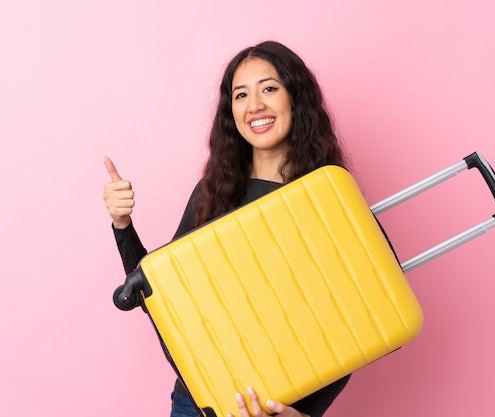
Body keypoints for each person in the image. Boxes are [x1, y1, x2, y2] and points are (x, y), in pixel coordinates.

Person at [103, 40, 350, 417]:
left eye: (269, 88)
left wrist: (305, 414)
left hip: (277, 408)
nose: (254, 106)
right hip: (197, 403)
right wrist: (122, 225)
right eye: (240, 95)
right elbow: (153, 295)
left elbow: (365, 321)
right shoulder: (213, 193)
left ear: (296, 98)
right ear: (230, 111)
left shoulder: (330, 197)